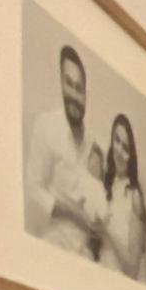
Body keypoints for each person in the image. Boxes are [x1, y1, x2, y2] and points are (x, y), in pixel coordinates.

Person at [24, 44, 105, 257]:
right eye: (69, 84)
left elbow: (96, 196)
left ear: (86, 94)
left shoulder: (93, 143)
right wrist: (71, 213)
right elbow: (32, 189)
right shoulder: (46, 125)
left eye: (80, 88)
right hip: (54, 247)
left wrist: (98, 226)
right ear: (60, 84)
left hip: (86, 255)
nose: (75, 94)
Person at [100, 113, 146, 280]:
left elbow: (133, 269)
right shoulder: (106, 184)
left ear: (131, 156)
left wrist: (105, 228)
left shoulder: (134, 196)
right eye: (116, 140)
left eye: (126, 148)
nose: (119, 151)